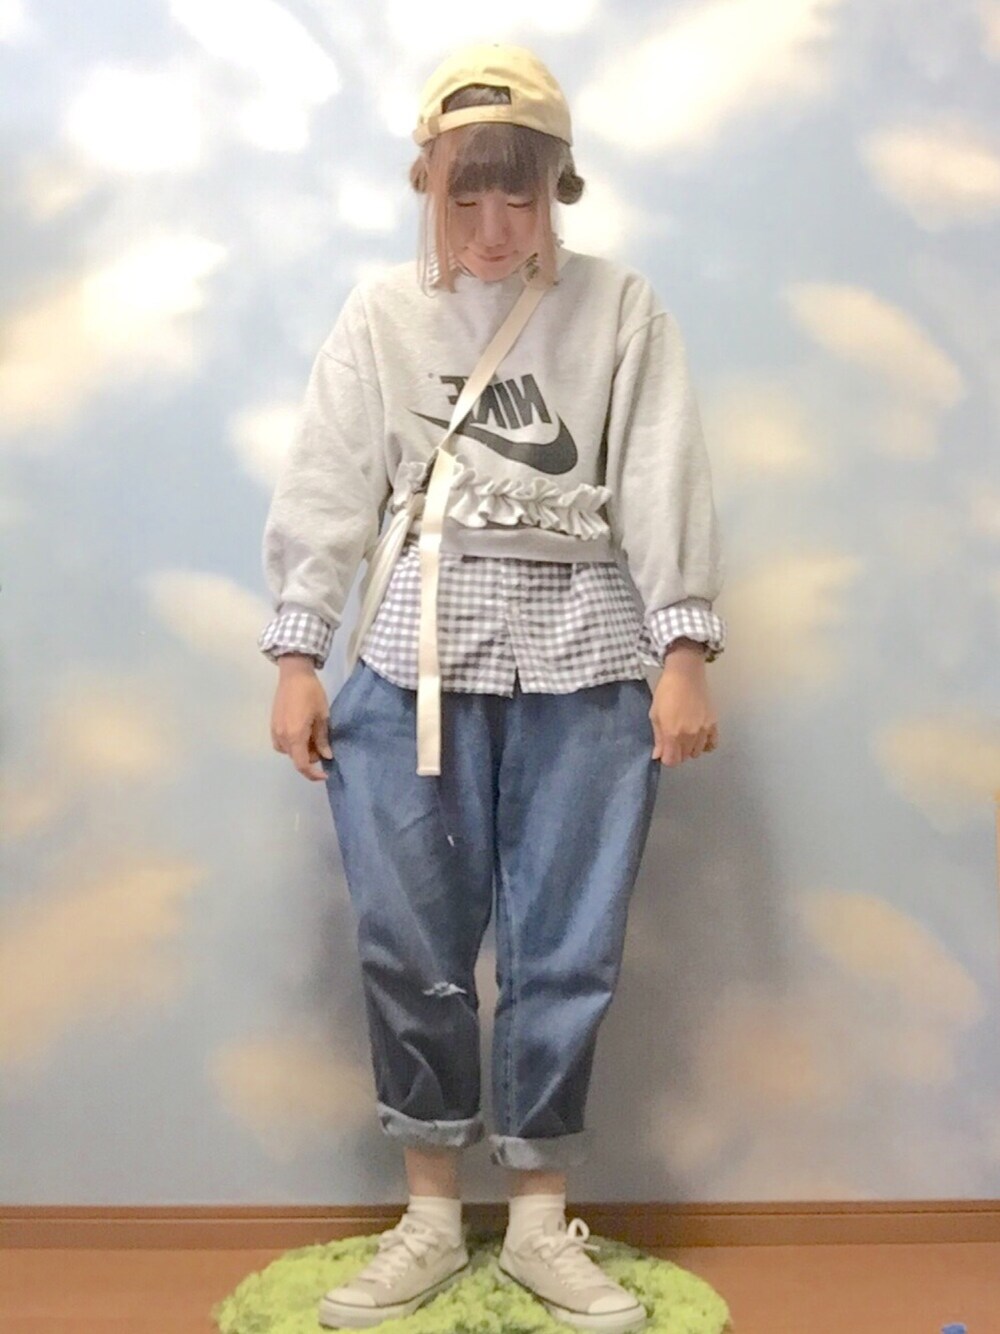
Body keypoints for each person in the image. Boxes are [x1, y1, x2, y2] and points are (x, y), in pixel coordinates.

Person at [258, 41, 726, 1333]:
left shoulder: (621, 309)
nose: (492, 224)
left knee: (565, 940)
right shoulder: (379, 315)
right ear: (428, 184)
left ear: (558, 188)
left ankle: (534, 1221)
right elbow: (329, 479)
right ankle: (427, 1215)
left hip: (587, 655)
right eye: (466, 192)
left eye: (519, 192)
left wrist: (682, 651)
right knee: (408, 936)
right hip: (411, 654)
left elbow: (661, 471)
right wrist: (299, 653)